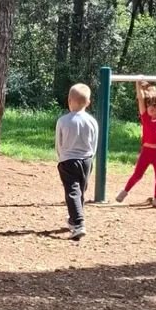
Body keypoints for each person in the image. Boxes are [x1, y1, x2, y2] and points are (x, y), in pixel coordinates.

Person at [117, 80, 156, 208]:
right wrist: (138, 83)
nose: (154, 111)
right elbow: (140, 98)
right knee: (137, 175)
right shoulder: (144, 116)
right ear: (146, 108)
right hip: (147, 152)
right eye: (151, 108)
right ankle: (125, 191)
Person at [55, 82, 99, 241]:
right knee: (80, 190)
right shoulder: (92, 121)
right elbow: (94, 142)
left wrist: (60, 158)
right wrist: (91, 158)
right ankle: (74, 219)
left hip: (68, 160)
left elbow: (58, 143)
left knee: (72, 191)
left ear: (69, 100)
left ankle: (79, 223)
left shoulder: (63, 121)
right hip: (87, 160)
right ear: (88, 102)